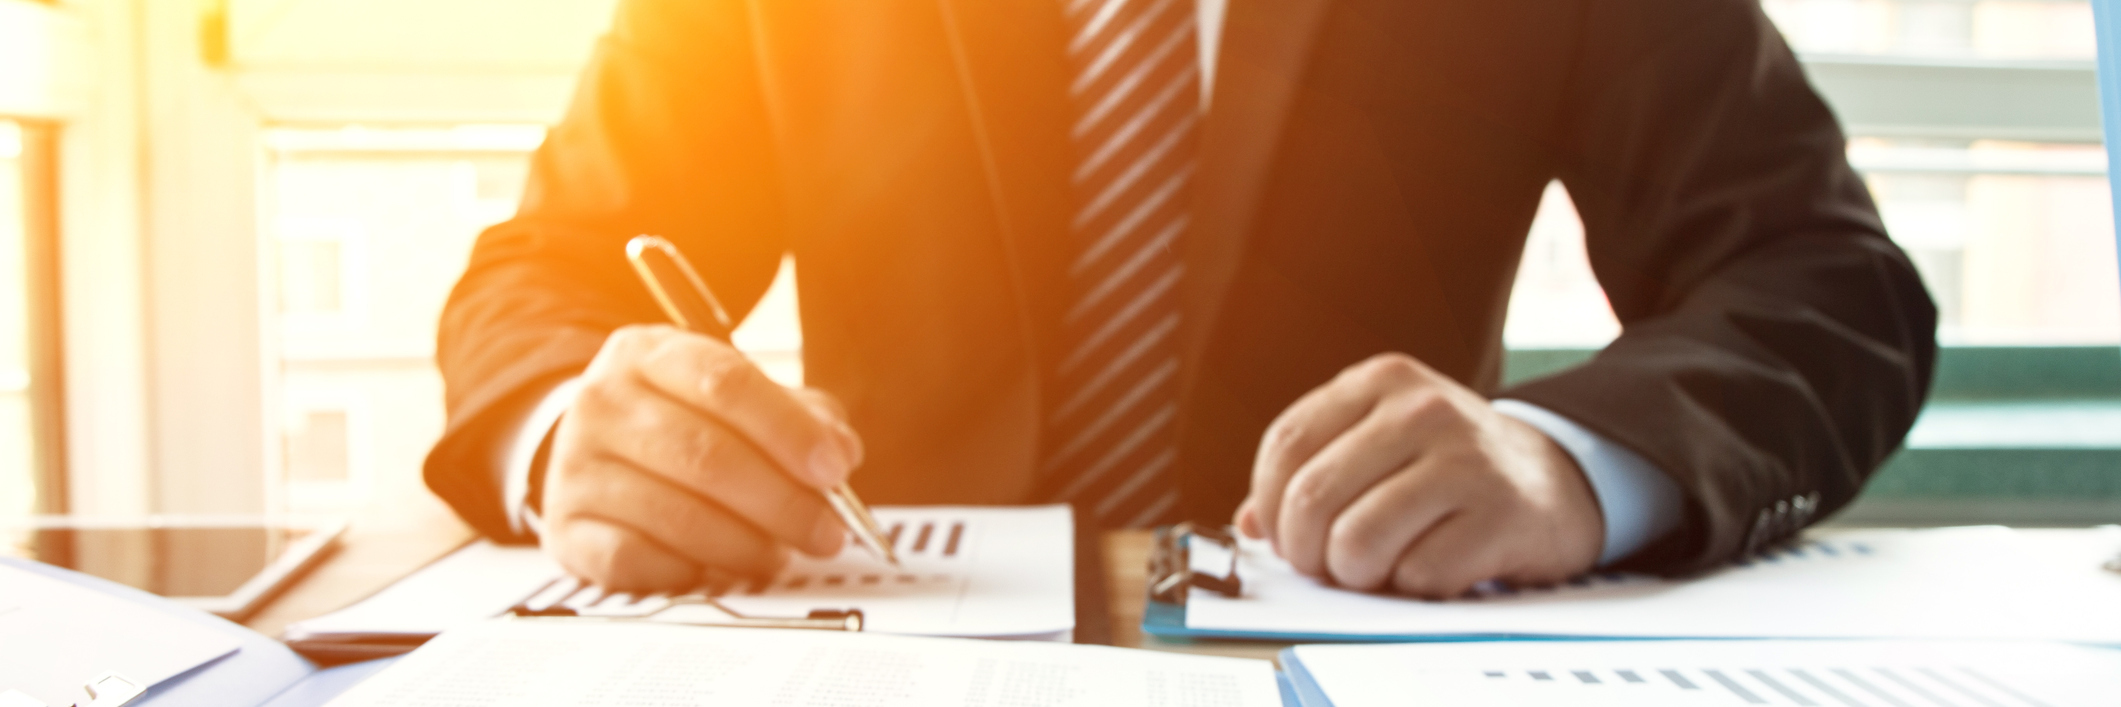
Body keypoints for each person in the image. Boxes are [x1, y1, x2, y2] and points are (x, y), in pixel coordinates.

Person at [423, 0, 1936, 597]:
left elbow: (1826, 280)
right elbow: (547, 267)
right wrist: (574, 429)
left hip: (1352, 645)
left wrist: (1567, 462)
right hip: (882, 652)